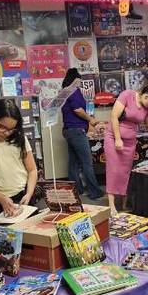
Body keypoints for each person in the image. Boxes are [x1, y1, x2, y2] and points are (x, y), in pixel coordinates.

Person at [104, 81, 148, 212]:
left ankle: (124, 203)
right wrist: (118, 138)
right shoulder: (127, 95)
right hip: (114, 137)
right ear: (146, 96)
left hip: (130, 141)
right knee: (113, 169)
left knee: (125, 171)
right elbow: (114, 116)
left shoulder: (147, 109)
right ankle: (111, 204)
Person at [60, 68, 105, 199]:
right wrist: (91, 120)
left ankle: (77, 191)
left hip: (69, 130)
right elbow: (78, 110)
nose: (80, 83)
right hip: (76, 130)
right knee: (87, 162)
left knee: (73, 163)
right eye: (79, 80)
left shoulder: (65, 91)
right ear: (75, 79)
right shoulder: (73, 91)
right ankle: (95, 192)